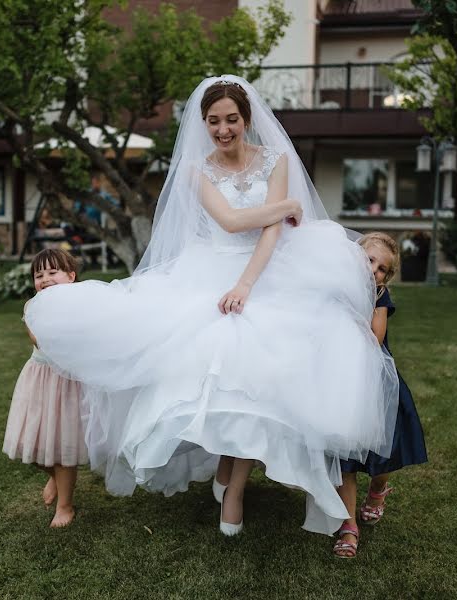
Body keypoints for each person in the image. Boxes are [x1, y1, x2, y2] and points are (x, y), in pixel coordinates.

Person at [25, 75, 399, 536]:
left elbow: (270, 233)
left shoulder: (277, 160)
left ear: (246, 120)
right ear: (204, 124)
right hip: (209, 270)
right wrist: (282, 208)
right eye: (214, 121)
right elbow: (229, 220)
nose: (223, 130)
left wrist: (248, 280)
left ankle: (234, 483)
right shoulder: (195, 170)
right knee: (215, 375)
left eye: (232, 120)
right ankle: (226, 474)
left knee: (257, 378)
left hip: (271, 271)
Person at [333, 233, 428, 559]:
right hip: (339, 381)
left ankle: (377, 490)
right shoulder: (335, 289)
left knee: (381, 455)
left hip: (374, 381)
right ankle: (348, 526)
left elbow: (374, 339)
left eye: (382, 268)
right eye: (369, 260)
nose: (373, 270)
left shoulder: (379, 297)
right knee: (344, 455)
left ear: (386, 278)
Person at [2, 249, 88, 528]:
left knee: (62, 446)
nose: (45, 279)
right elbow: (39, 340)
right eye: (39, 275)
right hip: (39, 378)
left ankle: (65, 505)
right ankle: (53, 475)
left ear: (71, 277)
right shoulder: (32, 306)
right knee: (31, 443)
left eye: (53, 273)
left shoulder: (84, 305)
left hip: (66, 384)